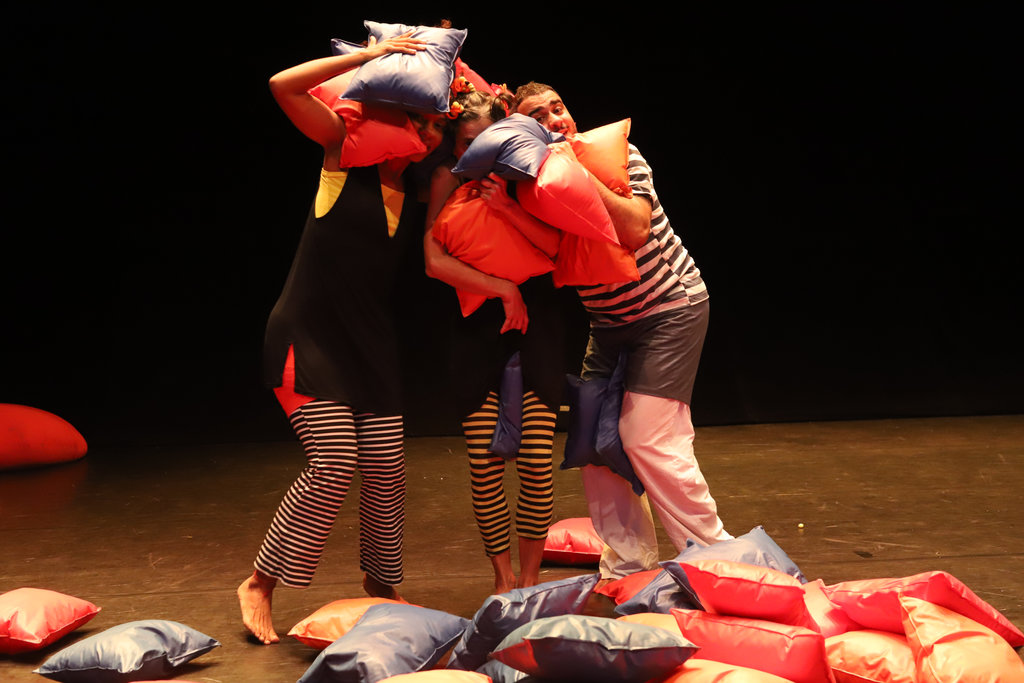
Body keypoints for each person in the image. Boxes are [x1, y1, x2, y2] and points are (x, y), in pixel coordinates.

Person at [237, 34, 448, 645]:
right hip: (307, 336)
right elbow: (283, 85)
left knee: (386, 470)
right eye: (415, 119)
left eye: (435, 125)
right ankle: (260, 582)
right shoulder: (342, 156)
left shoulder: (418, 189)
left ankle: (382, 585)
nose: (425, 133)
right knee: (332, 463)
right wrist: (367, 58)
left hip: (370, 343)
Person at [514, 82, 733, 581]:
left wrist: (579, 177)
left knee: (648, 439)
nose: (555, 119)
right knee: (593, 439)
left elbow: (635, 228)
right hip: (610, 325)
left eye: (557, 108)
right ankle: (629, 561)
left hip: (669, 309)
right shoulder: (534, 187)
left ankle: (718, 560)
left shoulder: (618, 156)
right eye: (538, 116)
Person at [423, 88, 573, 593]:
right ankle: (503, 578)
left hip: (538, 321)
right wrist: (501, 288)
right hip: (476, 324)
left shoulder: (528, 173)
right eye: (466, 142)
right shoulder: (447, 179)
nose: (475, 151)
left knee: (535, 460)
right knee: (485, 464)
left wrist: (506, 207)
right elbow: (433, 260)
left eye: (485, 139)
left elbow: (556, 249)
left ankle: (530, 578)